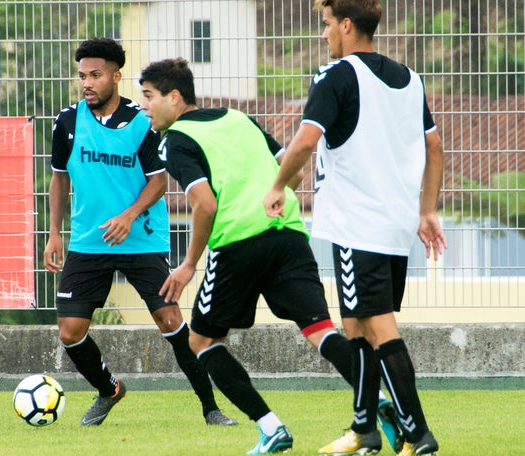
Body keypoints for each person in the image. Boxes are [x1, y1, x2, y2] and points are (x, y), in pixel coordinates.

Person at [139, 57, 400, 455]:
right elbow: (290, 169)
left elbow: (205, 205)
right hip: (289, 234)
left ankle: (271, 427)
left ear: (174, 98)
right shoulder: (238, 117)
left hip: (239, 243)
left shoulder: (175, 140)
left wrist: (189, 263)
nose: (143, 106)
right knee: (320, 330)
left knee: (201, 340)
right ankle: (378, 402)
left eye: (148, 96)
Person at [263, 1, 446, 455]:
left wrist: (278, 185)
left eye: (327, 25)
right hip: (394, 225)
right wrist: (426, 212)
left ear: (346, 25)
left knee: (379, 327)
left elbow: (306, 140)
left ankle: (418, 434)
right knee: (357, 326)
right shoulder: (410, 79)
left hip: (356, 226)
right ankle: (364, 429)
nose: (324, 34)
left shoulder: (336, 75)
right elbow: (434, 145)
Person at [43, 37, 236, 427]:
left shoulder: (141, 121)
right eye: (82, 76)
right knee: (70, 331)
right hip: (88, 241)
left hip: (141, 239)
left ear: (116, 76)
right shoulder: (67, 122)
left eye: (96, 75)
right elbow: (59, 180)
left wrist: (128, 216)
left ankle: (210, 408)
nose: (87, 83)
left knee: (170, 321)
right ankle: (109, 389)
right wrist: (53, 233)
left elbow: (158, 182)